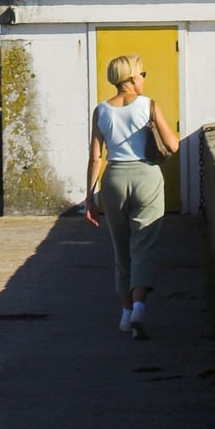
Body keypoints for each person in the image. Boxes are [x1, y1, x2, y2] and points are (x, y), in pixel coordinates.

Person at [84, 54, 179, 340]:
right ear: (132, 78)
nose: (143, 79)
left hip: (113, 178)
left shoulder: (100, 110)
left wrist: (90, 197)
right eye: (142, 74)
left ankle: (125, 314)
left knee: (120, 248)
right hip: (146, 175)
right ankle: (139, 306)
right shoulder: (148, 105)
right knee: (144, 244)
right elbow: (173, 145)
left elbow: (95, 158)